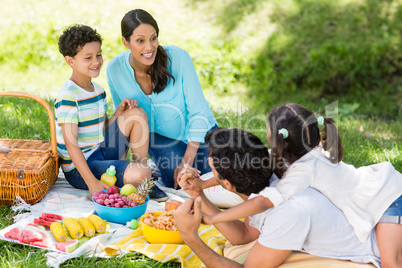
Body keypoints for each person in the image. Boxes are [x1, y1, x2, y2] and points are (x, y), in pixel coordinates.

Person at [197, 104, 402, 268]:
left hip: (388, 197)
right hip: (375, 190)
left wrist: (212, 219)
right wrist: (200, 188)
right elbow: (247, 229)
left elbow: (262, 203)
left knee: (391, 263)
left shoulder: (298, 177)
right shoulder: (286, 157)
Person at [175, 128, 381, 268]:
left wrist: (190, 236)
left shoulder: (287, 213)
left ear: (228, 184)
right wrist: (199, 192)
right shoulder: (272, 168)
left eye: (212, 168)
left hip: (381, 244)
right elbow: (245, 235)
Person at [106, 9, 218, 191]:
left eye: (153, 38)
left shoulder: (179, 58)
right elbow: (126, 118)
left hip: (201, 133)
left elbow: (199, 111)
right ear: (125, 42)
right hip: (161, 139)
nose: (149, 47)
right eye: (140, 40)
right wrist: (122, 171)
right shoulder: (114, 69)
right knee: (182, 182)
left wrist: (187, 161)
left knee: (219, 176)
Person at [55, 24, 156, 198]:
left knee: (136, 113)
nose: (96, 62)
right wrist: (92, 183)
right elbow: (71, 145)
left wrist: (118, 113)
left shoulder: (98, 91)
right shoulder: (68, 96)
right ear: (70, 61)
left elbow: (102, 129)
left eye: (99, 55)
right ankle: (139, 177)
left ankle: (140, 173)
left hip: (100, 152)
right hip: (81, 169)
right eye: (88, 58)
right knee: (142, 174)